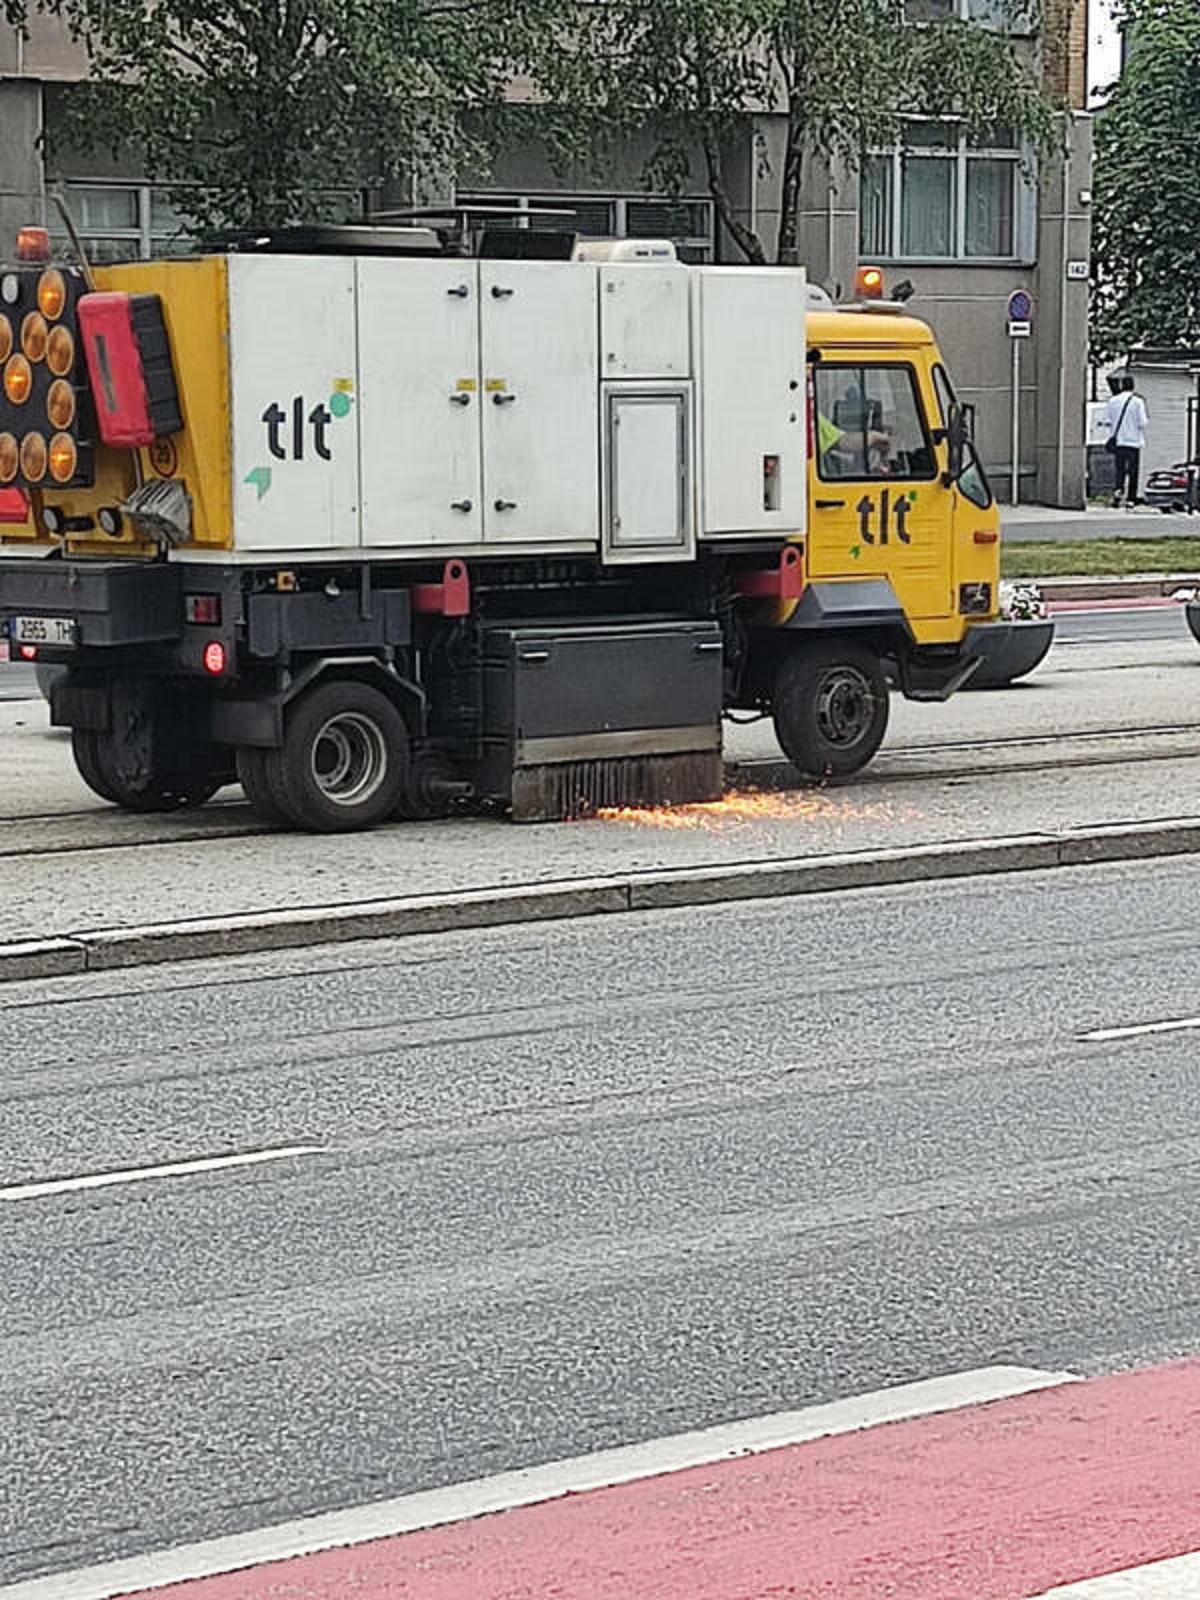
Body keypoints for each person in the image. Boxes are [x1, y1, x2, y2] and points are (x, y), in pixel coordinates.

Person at [1105, 374, 1149, 508]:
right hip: (1133, 441)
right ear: (1133, 386)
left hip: (1118, 441)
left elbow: (1108, 421)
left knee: (1119, 471)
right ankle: (1131, 499)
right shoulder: (1137, 402)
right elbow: (1143, 422)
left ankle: (1117, 495)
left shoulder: (1113, 401)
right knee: (1133, 471)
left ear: (1121, 386)